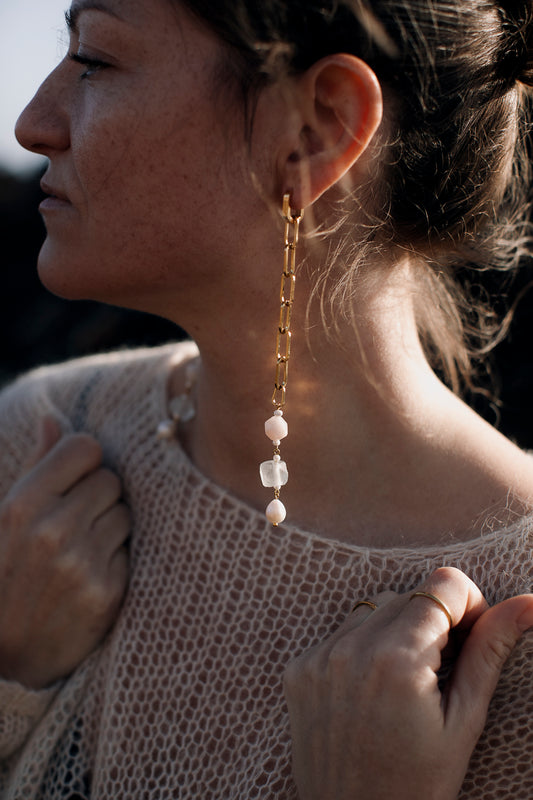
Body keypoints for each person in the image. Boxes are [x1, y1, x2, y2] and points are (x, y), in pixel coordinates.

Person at [1, 0, 533, 797]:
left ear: (317, 127)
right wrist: (11, 677)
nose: (33, 122)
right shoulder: (42, 448)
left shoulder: (511, 637)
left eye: (95, 62)